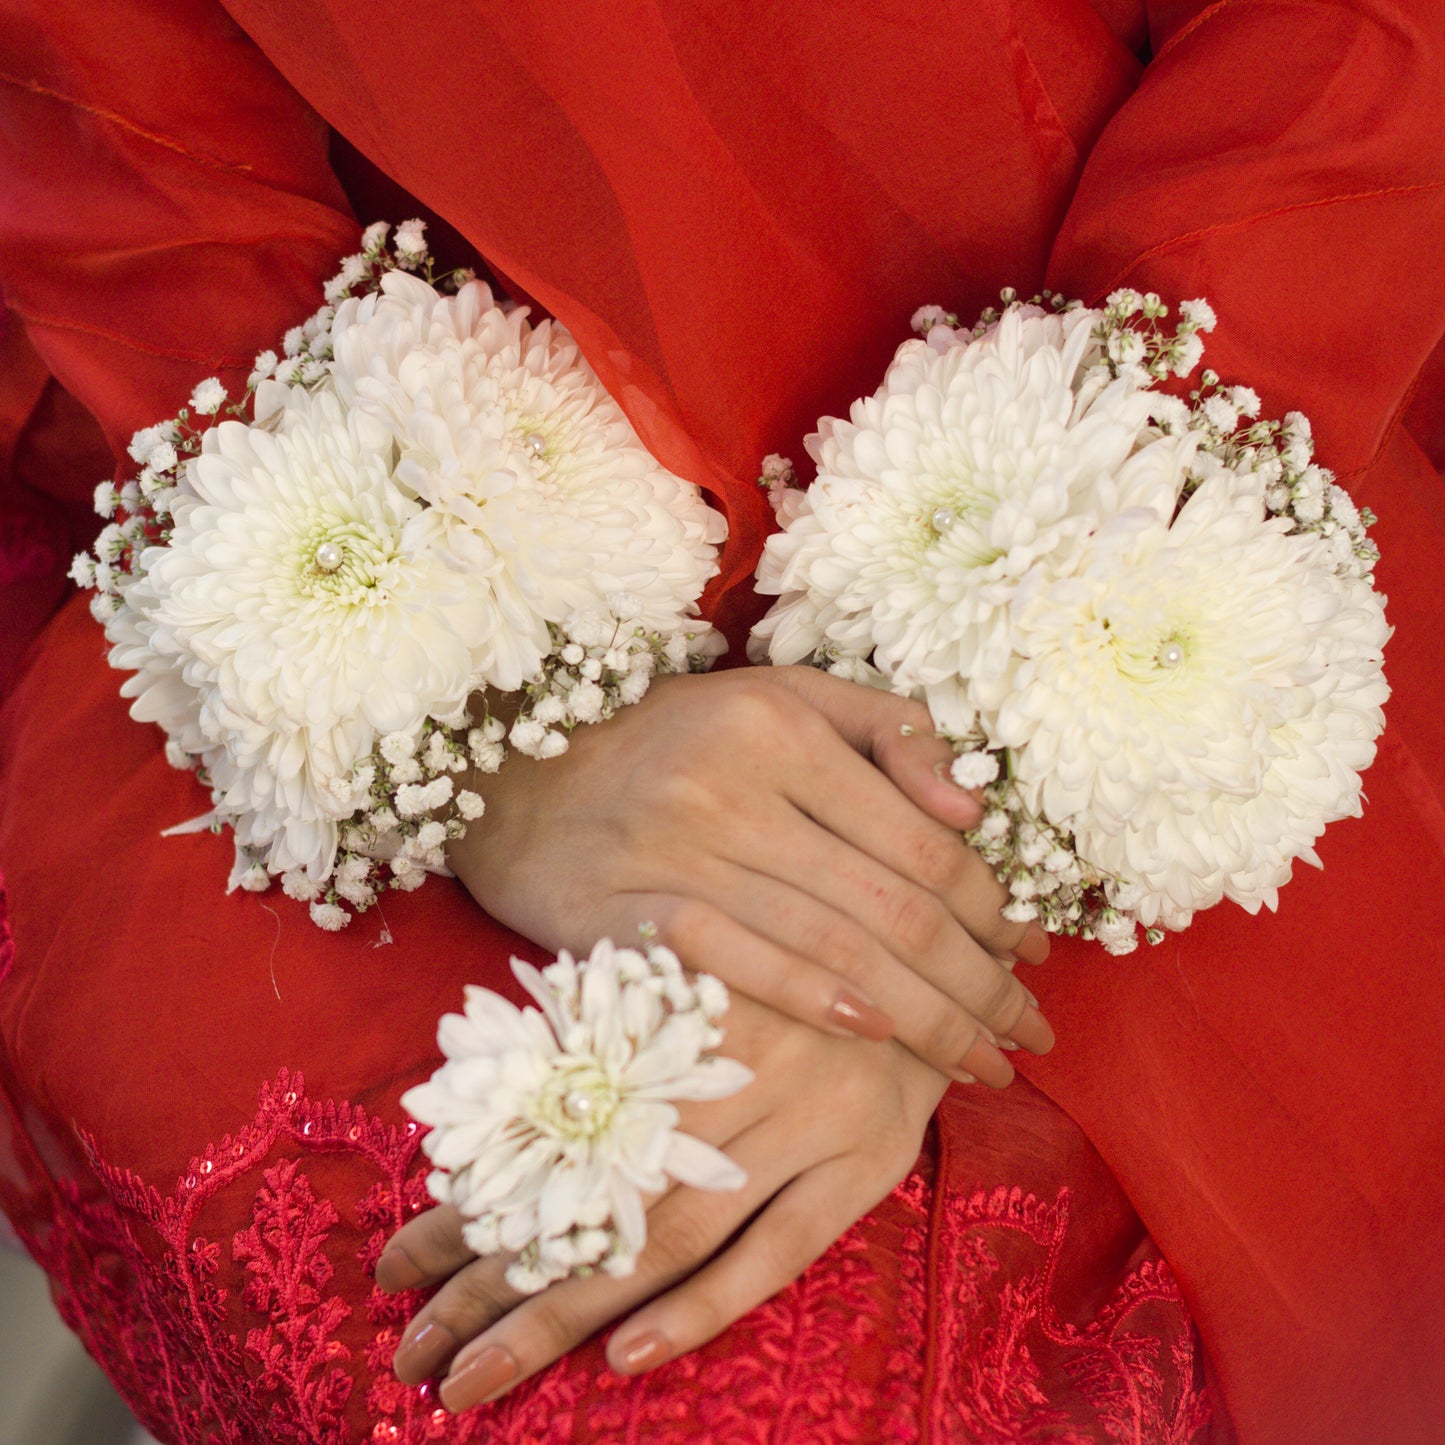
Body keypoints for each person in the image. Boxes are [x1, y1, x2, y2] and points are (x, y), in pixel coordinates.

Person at [1, 2, 1442, 1441]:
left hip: (1177, 339)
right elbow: (107, 117)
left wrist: (925, 844)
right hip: (336, 404)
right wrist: (496, 736)